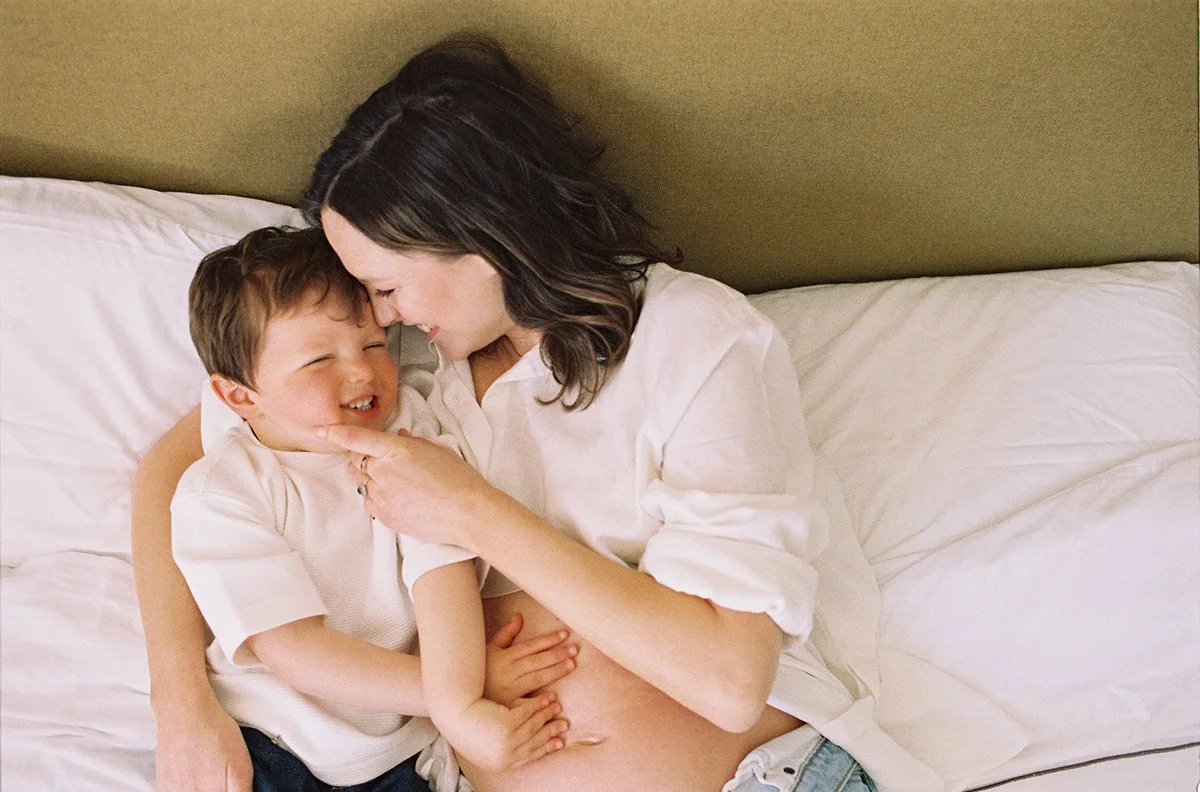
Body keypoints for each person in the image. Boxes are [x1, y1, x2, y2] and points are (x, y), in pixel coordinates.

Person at [133, 34, 934, 792]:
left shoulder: (692, 339)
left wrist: (474, 512)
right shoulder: (396, 359)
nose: (379, 315)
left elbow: (729, 682)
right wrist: (182, 705)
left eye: (385, 283)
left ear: (481, 234)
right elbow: (173, 471)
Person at [158, 225, 574, 791]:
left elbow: (441, 568)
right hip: (273, 747)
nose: (361, 371)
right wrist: (455, 696)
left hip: (401, 758)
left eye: (373, 345)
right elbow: (297, 653)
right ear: (239, 395)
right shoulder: (221, 495)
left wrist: (459, 697)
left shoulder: (410, 441)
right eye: (318, 360)